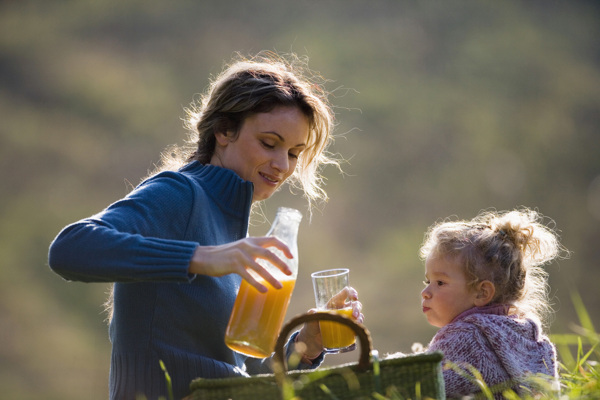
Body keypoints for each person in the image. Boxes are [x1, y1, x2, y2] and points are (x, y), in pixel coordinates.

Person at [48, 52, 363, 400]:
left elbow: (238, 368)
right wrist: (202, 257)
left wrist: (307, 344)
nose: (281, 165)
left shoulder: (232, 230)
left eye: (293, 153)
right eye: (269, 144)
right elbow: (70, 248)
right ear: (223, 130)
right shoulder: (179, 193)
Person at [418, 208, 565, 398]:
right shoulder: (534, 341)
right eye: (427, 282)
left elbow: (421, 385)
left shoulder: (465, 337)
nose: (426, 292)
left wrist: (374, 367)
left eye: (440, 283)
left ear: (482, 292)